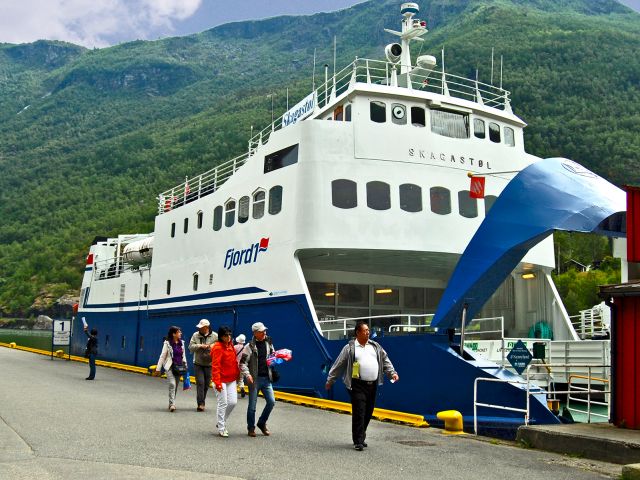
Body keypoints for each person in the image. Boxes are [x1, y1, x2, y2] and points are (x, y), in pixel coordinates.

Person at [325, 321, 399, 451]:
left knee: (368, 412)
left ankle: (361, 435)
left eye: (368, 330)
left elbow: (385, 360)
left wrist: (392, 373)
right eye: (365, 330)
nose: (368, 332)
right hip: (357, 384)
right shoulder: (350, 348)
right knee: (359, 411)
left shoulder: (375, 346)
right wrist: (330, 380)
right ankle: (358, 441)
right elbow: (339, 364)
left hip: (373, 384)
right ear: (358, 332)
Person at [239, 322, 276, 437]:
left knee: (271, 402)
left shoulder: (269, 342)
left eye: (264, 330)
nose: (264, 332)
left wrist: (277, 357)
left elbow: (272, 355)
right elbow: (242, 363)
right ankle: (251, 428)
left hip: (267, 378)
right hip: (254, 380)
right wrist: (247, 375)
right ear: (255, 333)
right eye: (261, 331)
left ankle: (261, 423)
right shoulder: (249, 347)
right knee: (252, 406)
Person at [211, 325, 240, 437]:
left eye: (229, 335)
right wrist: (217, 382)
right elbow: (215, 366)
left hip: (231, 378)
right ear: (221, 336)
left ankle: (220, 422)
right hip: (220, 379)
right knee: (223, 403)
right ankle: (222, 427)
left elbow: (233, 362)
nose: (228, 337)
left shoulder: (230, 346)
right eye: (226, 335)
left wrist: (237, 375)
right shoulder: (217, 347)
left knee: (233, 402)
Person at [154, 326, 188, 412]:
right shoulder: (167, 343)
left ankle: (171, 403)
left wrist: (186, 366)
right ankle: (172, 404)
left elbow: (183, 355)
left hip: (179, 366)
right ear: (174, 334)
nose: (181, 333)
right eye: (179, 332)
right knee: (172, 384)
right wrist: (158, 369)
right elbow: (162, 356)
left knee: (175, 385)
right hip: (169, 366)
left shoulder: (182, 343)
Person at [188, 319, 217, 411]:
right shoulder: (195, 335)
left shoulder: (215, 336)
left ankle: (202, 400)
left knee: (206, 384)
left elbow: (219, 346)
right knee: (200, 383)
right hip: (198, 363)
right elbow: (190, 348)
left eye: (202, 327)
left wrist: (210, 346)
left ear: (207, 327)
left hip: (210, 364)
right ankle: (201, 403)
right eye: (199, 327)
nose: (199, 329)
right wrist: (200, 346)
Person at [234, 334, 246, 398]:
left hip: (235, 365)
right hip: (242, 365)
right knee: (241, 378)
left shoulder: (235, 347)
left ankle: (233, 392)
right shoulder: (245, 348)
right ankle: (242, 388)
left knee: (234, 379)